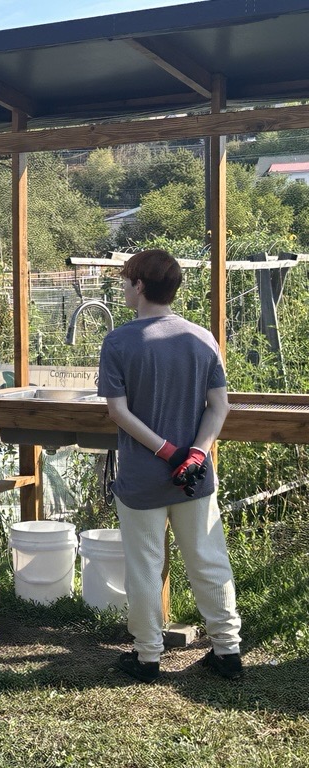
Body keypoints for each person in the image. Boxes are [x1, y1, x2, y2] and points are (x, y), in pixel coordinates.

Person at [98, 248, 242, 683]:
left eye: (126, 280)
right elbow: (220, 406)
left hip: (143, 477)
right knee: (208, 559)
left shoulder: (119, 341)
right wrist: (195, 453)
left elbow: (119, 413)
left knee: (143, 565)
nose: (124, 287)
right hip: (193, 479)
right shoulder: (201, 338)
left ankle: (147, 657)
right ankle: (228, 651)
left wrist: (168, 452)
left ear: (140, 285)